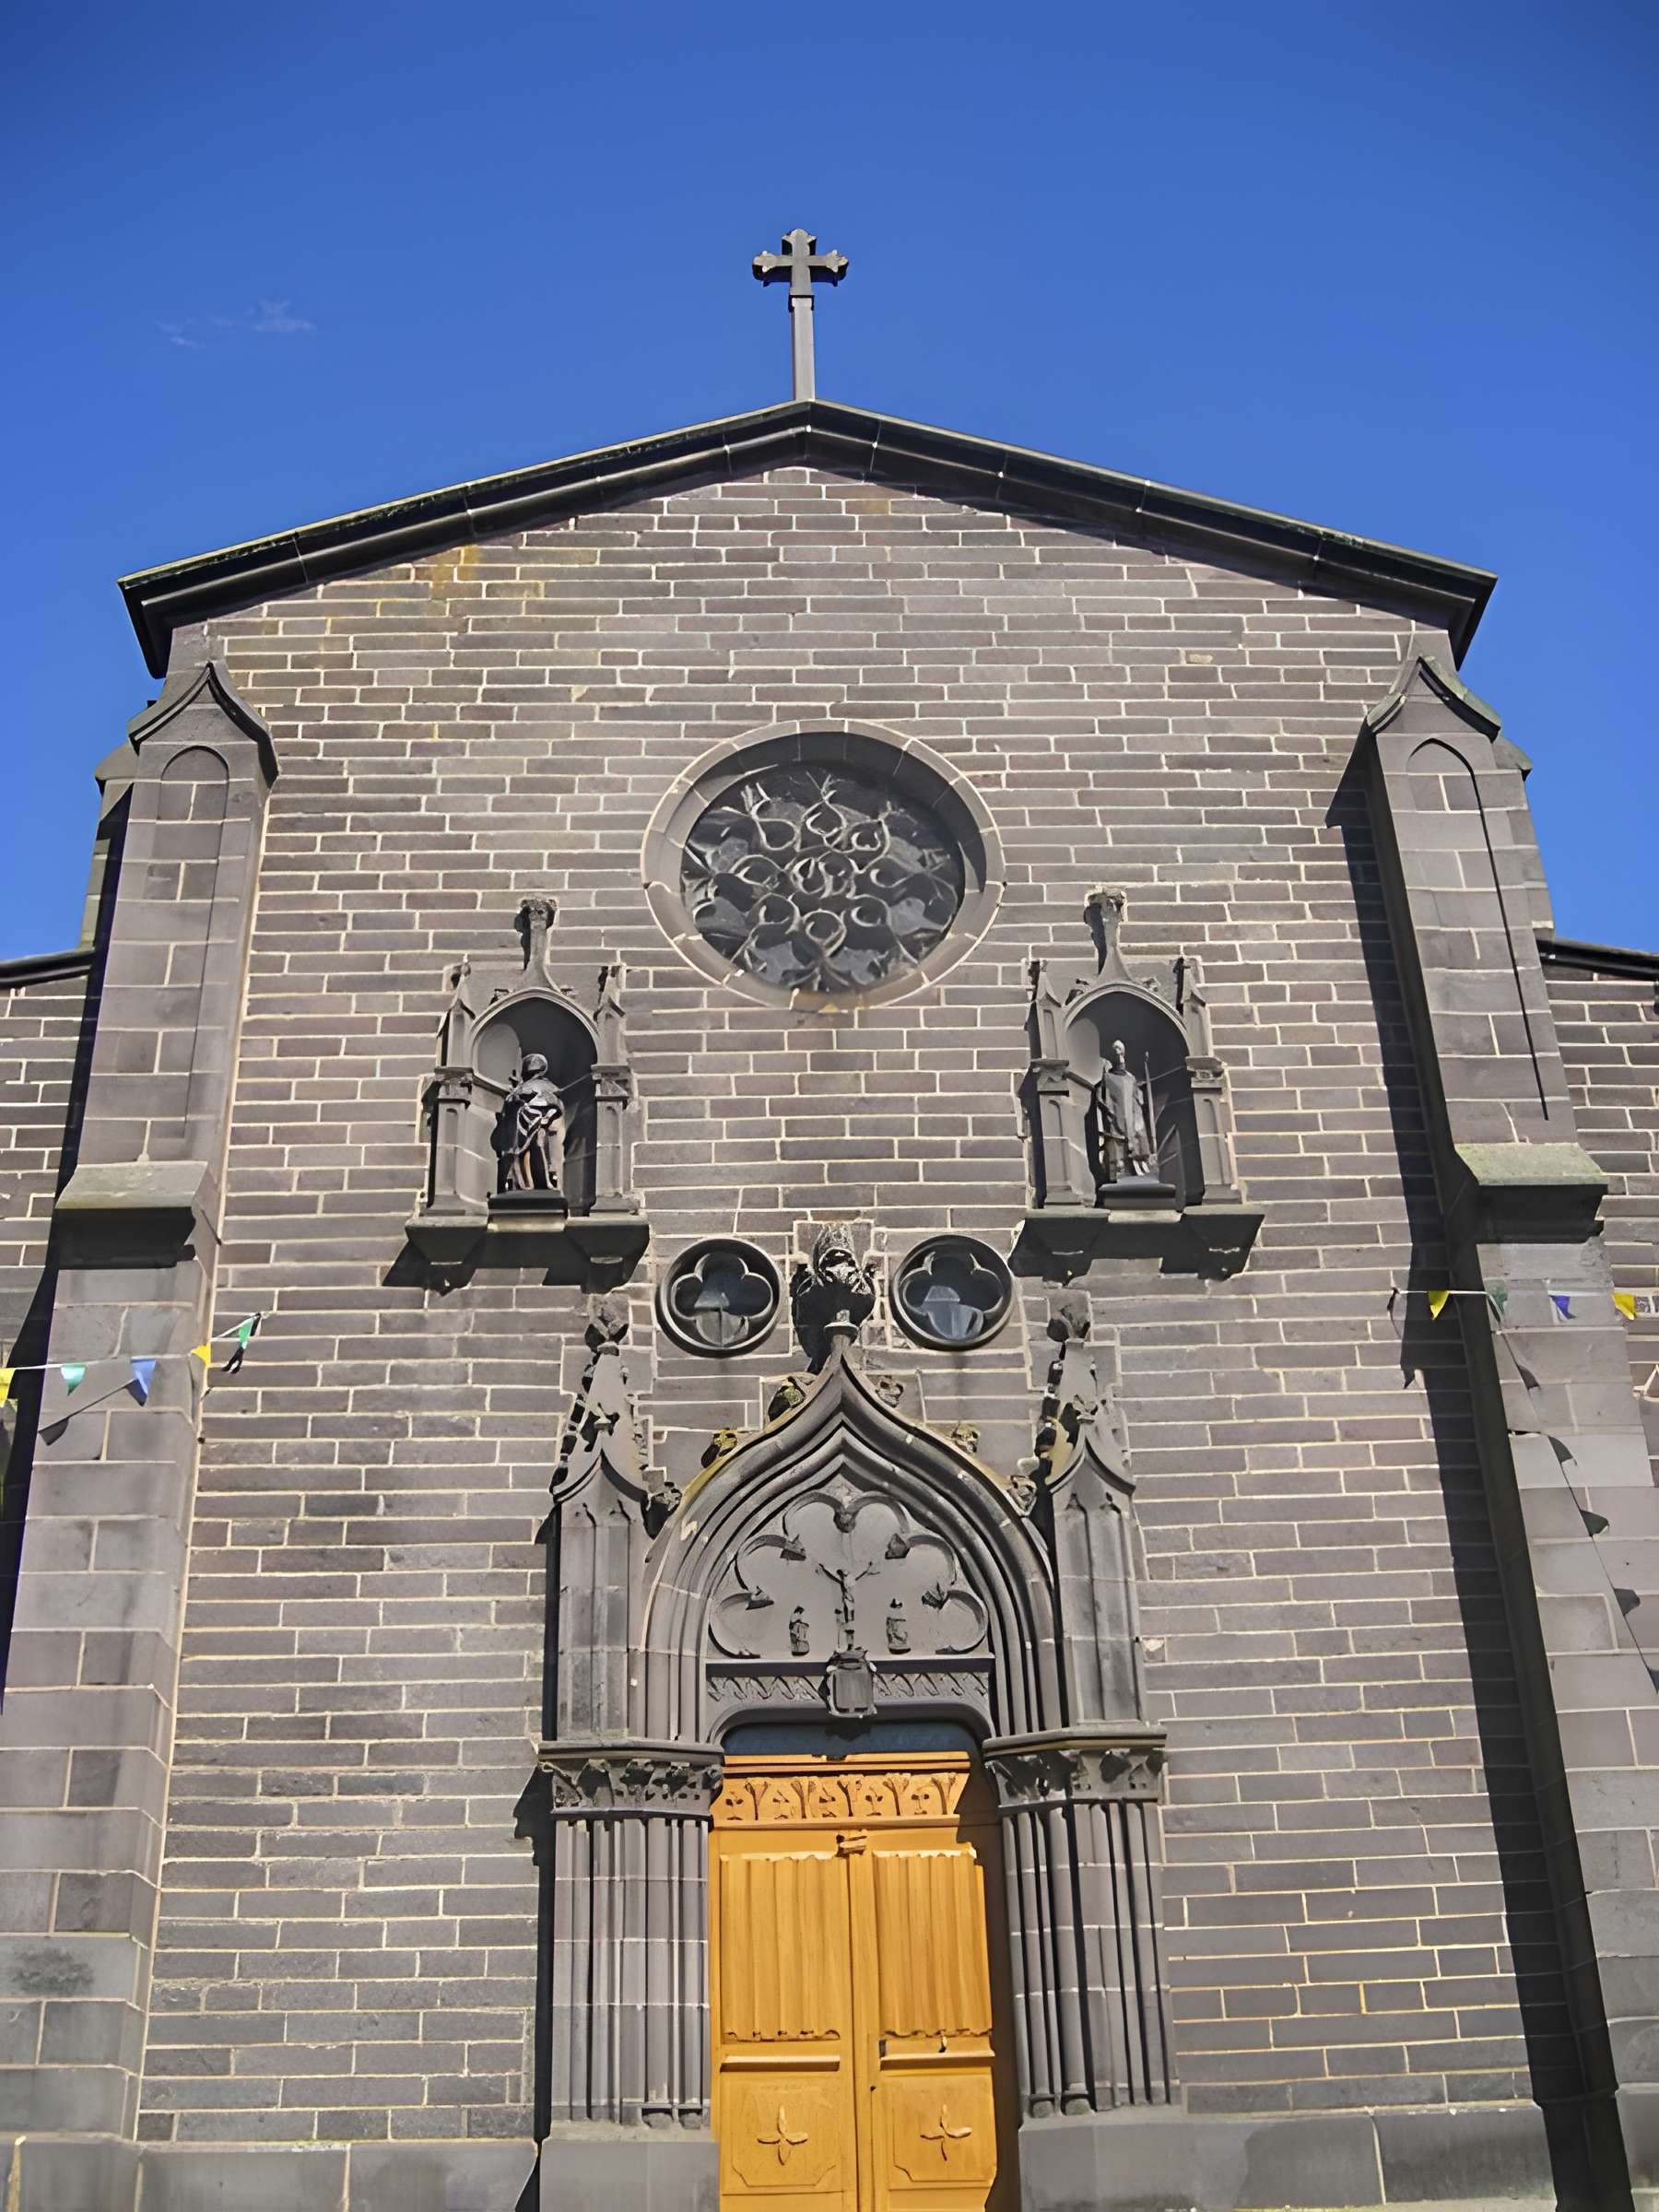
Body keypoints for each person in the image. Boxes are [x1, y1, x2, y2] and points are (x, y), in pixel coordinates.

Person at [493, 1053, 564, 1194]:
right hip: (520, 1129)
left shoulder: (541, 1087)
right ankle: (528, 1183)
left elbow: (555, 1106)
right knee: (521, 1153)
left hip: (531, 1128)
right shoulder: (521, 1089)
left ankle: (537, 1183)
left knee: (535, 1149)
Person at [1095, 1039, 1157, 1186]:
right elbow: (1102, 1099)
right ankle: (1118, 1168)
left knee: (1137, 1137)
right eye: (1115, 1049)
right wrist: (1109, 1111)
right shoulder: (1107, 1078)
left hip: (1133, 1117)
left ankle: (1140, 1163)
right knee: (1117, 1145)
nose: (1118, 1054)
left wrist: (1138, 1117)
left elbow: (1137, 1098)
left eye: (1120, 1049)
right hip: (1115, 1120)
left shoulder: (1130, 1078)